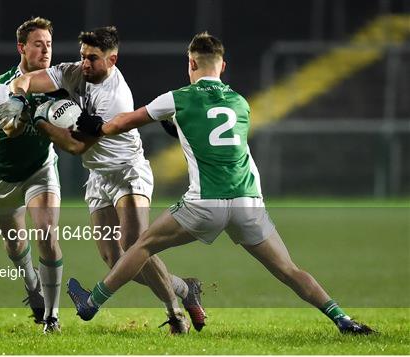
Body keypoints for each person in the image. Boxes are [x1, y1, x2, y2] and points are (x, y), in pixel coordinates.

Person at [66, 32, 374, 335]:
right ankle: (343, 319)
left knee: (142, 245)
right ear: (222, 66)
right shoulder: (241, 103)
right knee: (289, 270)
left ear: (191, 64)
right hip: (248, 203)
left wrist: (97, 126)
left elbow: (122, 122)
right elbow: (216, 134)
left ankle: (92, 302)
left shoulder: (177, 98)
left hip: (205, 204)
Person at [0, 26, 206, 333]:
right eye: (82, 56)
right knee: (113, 258)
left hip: (127, 171)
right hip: (99, 176)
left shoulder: (114, 98)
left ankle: (175, 315)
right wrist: (16, 97)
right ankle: (185, 288)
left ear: (112, 60)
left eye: (93, 58)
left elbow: (76, 146)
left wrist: (40, 120)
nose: (85, 64)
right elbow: (23, 79)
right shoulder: (73, 72)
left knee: (134, 244)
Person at [0, 17, 66, 333]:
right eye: (38, 44)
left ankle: (52, 316)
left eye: (49, 44)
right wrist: (37, 110)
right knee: (16, 246)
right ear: (21, 47)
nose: (45, 50)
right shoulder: (0, 88)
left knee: (46, 232)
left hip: (40, 168)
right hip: (2, 174)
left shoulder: (60, 84)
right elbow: (12, 129)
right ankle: (32, 285)